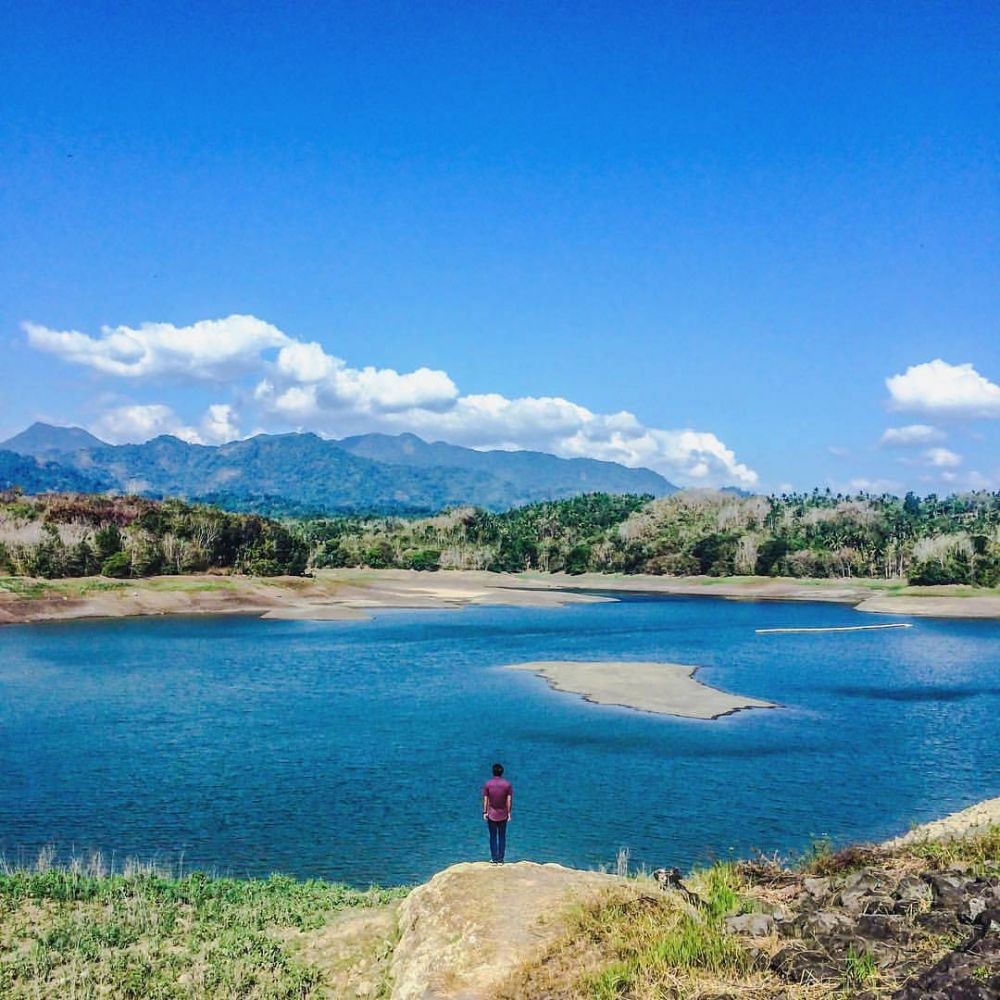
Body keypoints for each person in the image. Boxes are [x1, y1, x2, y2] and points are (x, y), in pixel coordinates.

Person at [481, 762, 513, 865]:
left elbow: (486, 799)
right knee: (502, 836)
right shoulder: (507, 784)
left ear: (493, 772)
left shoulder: (488, 784)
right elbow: (509, 800)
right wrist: (509, 813)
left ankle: (494, 859)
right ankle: (501, 859)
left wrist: (485, 812)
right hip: (503, 813)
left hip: (492, 814)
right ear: (502, 772)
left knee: (493, 836)